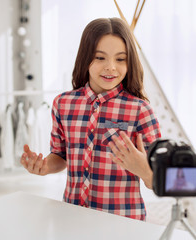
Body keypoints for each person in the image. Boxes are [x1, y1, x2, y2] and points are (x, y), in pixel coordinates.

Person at [20, 17, 161, 221]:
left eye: (120, 59)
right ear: (85, 58)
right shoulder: (63, 103)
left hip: (123, 222)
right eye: (100, 57)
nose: (111, 67)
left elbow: (161, 180)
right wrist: (44, 167)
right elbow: (61, 156)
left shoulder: (140, 110)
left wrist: (145, 171)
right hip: (73, 216)